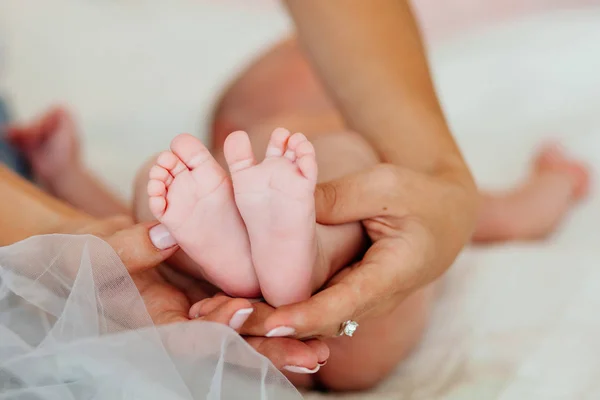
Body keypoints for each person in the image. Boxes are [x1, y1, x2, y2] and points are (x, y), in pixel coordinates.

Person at [7, 97, 588, 389]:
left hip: (232, 315)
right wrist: (555, 182)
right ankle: (298, 258)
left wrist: (64, 174)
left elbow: (121, 239)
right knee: (343, 168)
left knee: (150, 199)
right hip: (360, 333)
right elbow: (509, 217)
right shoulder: (376, 169)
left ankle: (285, 259)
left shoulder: (382, 185)